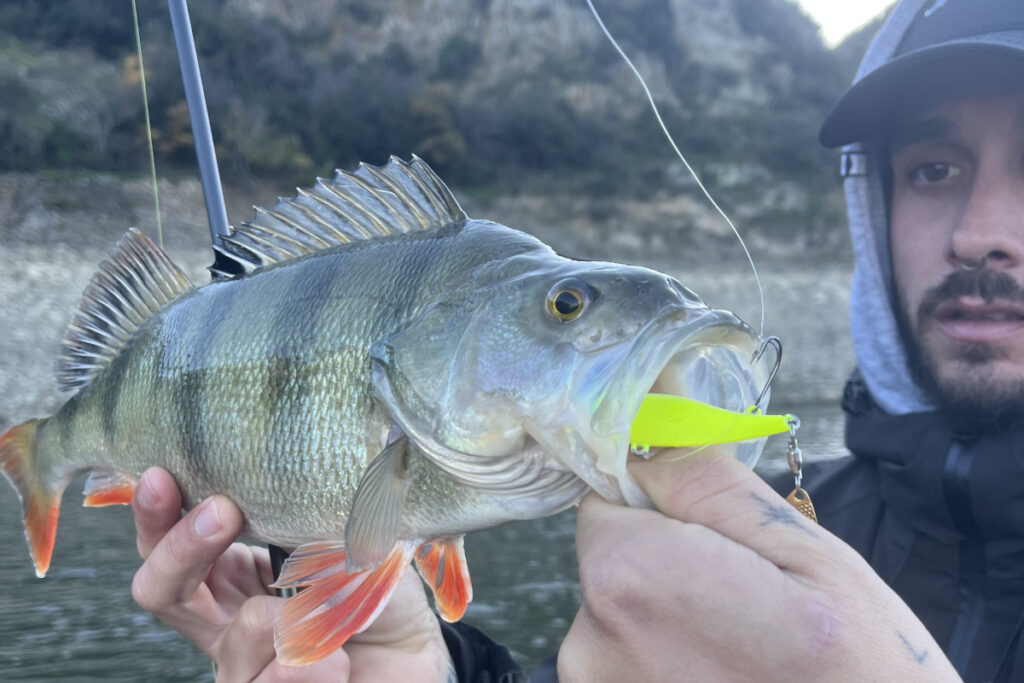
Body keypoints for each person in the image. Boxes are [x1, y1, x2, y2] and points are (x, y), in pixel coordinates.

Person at [129, 0, 1024, 680]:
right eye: (934, 169)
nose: (982, 231)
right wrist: (435, 667)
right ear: (878, 210)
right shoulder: (771, 516)